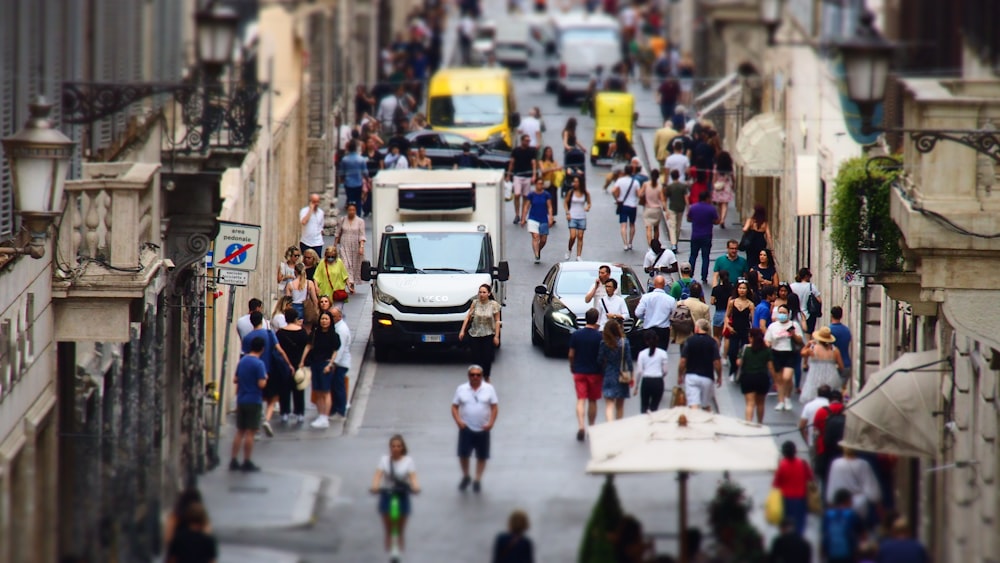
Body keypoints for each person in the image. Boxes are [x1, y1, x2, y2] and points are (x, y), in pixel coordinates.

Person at [241, 312, 293, 437]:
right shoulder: (269, 334)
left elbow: (245, 355)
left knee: (258, 397)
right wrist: (289, 364)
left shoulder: (247, 337)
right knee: (273, 397)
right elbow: (279, 350)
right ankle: (267, 419)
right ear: (262, 321)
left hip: (253, 371)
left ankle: (257, 428)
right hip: (270, 370)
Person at [369, 434, 421, 556]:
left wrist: (415, 487)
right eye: (393, 446)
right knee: (388, 526)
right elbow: (378, 476)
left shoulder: (408, 461)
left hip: (402, 495)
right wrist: (375, 487)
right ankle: (389, 548)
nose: (395, 448)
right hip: (387, 494)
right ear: (390, 448)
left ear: (402, 448)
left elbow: (413, 477)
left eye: (398, 446)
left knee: (400, 527)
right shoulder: (384, 460)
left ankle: (399, 548)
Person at [452, 364, 499, 493]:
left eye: (478, 375)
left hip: (483, 428)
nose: (475, 377)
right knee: (463, 455)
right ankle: (466, 476)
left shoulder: (489, 389)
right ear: (468, 376)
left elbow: (494, 407)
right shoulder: (461, 389)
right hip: (466, 427)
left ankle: (477, 479)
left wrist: (491, 423)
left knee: (482, 456)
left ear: (482, 376)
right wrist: (458, 421)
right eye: (472, 375)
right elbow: (454, 406)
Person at [230, 336, 267, 471]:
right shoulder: (259, 364)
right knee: (250, 433)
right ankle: (247, 461)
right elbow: (261, 384)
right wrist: (265, 379)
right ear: (262, 349)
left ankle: (233, 459)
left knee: (240, 431)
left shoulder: (243, 361)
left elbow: (235, 379)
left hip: (242, 399)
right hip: (253, 400)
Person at [300, 311, 341, 429]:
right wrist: (302, 361)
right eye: (322, 319)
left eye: (326, 319)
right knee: (317, 391)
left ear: (330, 321)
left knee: (326, 391)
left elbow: (335, 351)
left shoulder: (334, 335)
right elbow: (308, 346)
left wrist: (330, 364)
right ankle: (321, 415)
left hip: (325, 364)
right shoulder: (315, 333)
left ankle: (325, 417)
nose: (324, 321)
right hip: (315, 363)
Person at [568, 308, 603, 442]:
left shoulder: (577, 335)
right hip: (595, 372)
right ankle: (592, 427)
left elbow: (571, 354)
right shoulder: (599, 337)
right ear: (597, 319)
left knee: (581, 399)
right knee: (592, 401)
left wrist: (572, 366)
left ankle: (581, 425)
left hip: (580, 371)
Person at [764, 305, 804, 411]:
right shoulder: (773, 326)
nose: (782, 314)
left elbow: (800, 340)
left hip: (790, 353)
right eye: (780, 312)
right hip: (776, 352)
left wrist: (793, 334)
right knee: (779, 379)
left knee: (787, 377)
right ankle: (781, 400)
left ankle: (787, 398)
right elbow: (767, 339)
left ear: (788, 314)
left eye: (784, 312)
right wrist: (768, 344)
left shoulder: (794, 325)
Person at [459, 284, 502, 382]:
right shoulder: (475, 303)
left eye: (484, 292)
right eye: (480, 292)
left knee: (487, 357)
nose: (481, 294)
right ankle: (477, 377)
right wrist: (462, 330)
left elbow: (497, 321)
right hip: (475, 334)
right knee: (476, 358)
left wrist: (496, 336)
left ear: (489, 293)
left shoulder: (494, 305)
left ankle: (486, 376)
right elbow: (468, 317)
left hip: (488, 334)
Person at [772, 441, 815, 536]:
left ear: (784, 453)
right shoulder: (803, 463)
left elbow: (776, 484)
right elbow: (811, 478)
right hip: (801, 499)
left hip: (786, 499)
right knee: (799, 525)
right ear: (795, 451)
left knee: (786, 524)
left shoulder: (782, 465)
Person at [826, 448, 882, 520]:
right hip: (860, 505)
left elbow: (832, 488)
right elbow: (872, 490)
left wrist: (831, 503)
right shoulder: (863, 464)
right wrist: (878, 504)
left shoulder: (835, 464)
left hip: (841, 507)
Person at [678, 319, 722, 410]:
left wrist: (680, 374)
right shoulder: (712, 342)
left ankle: (695, 419)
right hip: (707, 377)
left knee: (693, 404)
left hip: (691, 376)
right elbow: (717, 362)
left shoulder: (689, 341)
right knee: (705, 405)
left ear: (697, 328)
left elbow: (683, 361)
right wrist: (719, 376)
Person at [276, 308, 309, 425]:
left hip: (285, 364)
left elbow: (277, 349)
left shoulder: (280, 333)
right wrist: (303, 361)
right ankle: (299, 413)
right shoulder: (302, 332)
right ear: (296, 318)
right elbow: (307, 347)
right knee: (299, 388)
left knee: (284, 389)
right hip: (299, 363)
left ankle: (285, 412)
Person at [597, 321, 632, 421]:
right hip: (621, 375)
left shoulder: (604, 343)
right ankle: (618, 428)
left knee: (609, 404)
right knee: (620, 406)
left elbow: (600, 360)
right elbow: (628, 360)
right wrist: (631, 374)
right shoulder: (624, 342)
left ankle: (610, 426)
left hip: (608, 374)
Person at [737, 328, 774, 423]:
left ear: (751, 338)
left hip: (748, 377)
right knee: (761, 403)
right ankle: (759, 423)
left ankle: (748, 423)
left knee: (750, 403)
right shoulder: (766, 350)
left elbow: (739, 362)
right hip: (762, 378)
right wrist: (775, 380)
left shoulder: (746, 349)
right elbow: (770, 367)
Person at [822, 488, 868, 563]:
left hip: (831, 556)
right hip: (849, 555)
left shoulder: (828, 515)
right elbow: (863, 534)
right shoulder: (851, 514)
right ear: (847, 500)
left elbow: (824, 534)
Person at [800, 326, 844, 403]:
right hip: (831, 375)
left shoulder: (813, 348)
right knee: (830, 398)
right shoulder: (835, 350)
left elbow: (802, 353)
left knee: (814, 398)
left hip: (815, 376)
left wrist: (807, 345)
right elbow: (841, 366)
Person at [724, 280, 755, 380]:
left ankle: (742, 371)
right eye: (740, 288)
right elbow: (727, 316)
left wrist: (752, 332)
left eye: (744, 288)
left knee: (744, 352)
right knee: (732, 352)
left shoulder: (750, 304)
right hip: (734, 330)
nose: (742, 290)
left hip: (745, 331)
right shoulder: (732, 302)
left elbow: (753, 321)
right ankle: (733, 370)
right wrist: (728, 326)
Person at [813, 390, 846, 483]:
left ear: (829, 400)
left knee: (825, 479)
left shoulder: (821, 411)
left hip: (824, 449)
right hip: (842, 450)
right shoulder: (847, 411)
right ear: (841, 400)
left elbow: (816, 431)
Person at [687, 190, 719, 284]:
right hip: (707, 236)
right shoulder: (711, 209)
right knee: (705, 257)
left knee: (693, 256)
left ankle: (690, 273)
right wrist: (710, 221)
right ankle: (704, 276)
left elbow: (689, 218)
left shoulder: (693, 207)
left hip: (695, 235)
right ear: (707, 198)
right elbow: (717, 221)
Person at [635, 275, 676, 347]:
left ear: (654, 284)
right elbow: (673, 315)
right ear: (664, 285)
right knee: (661, 352)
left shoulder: (646, 297)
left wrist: (645, 318)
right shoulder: (671, 299)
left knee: (649, 353)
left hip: (648, 329)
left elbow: (638, 313)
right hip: (663, 331)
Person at [521, 177, 555, 264]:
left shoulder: (546, 195)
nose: (540, 185)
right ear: (535, 184)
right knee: (536, 236)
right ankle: (536, 255)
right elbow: (526, 206)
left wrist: (551, 217)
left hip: (543, 219)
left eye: (541, 184)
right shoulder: (531, 195)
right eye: (538, 183)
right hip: (533, 218)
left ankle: (538, 249)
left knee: (543, 239)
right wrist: (523, 218)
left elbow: (550, 207)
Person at [634, 330, 668, 413]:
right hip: (658, 380)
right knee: (654, 407)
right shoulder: (663, 353)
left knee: (644, 406)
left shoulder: (642, 354)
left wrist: (636, 386)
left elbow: (639, 371)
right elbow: (665, 371)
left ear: (645, 341)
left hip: (646, 381)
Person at [507, 134, 538, 224]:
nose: (528, 142)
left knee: (525, 196)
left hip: (527, 176)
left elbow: (533, 163)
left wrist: (534, 175)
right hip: (517, 175)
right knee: (517, 194)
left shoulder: (532, 151)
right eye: (526, 141)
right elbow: (512, 162)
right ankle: (517, 214)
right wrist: (509, 174)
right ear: (522, 141)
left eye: (529, 141)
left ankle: (523, 215)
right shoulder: (516, 150)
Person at [336, 203, 367, 288]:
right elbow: (338, 233)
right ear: (347, 210)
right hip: (344, 244)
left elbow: (362, 235)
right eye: (350, 210)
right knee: (345, 263)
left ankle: (351, 282)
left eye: (353, 210)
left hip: (355, 245)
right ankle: (348, 282)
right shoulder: (342, 220)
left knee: (354, 265)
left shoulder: (360, 221)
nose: (351, 212)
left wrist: (361, 246)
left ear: (356, 211)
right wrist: (334, 246)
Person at [612, 168, 641, 251]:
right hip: (633, 205)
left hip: (623, 205)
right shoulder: (635, 182)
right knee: (632, 224)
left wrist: (617, 199)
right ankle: (630, 243)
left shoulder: (620, 181)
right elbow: (638, 194)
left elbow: (613, 190)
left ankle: (625, 244)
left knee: (623, 225)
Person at [330, 308, 352, 418]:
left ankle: (340, 409)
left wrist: (333, 363)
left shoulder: (341, 330)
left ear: (339, 316)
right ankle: (334, 408)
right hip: (338, 362)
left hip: (340, 363)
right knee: (334, 386)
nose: (331, 318)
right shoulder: (336, 327)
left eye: (333, 316)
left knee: (338, 387)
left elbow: (340, 348)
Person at [563, 176, 591, 261]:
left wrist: (587, 207)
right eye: (574, 182)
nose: (575, 183)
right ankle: (569, 249)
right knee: (573, 236)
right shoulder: (571, 192)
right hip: (572, 216)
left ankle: (578, 255)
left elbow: (589, 203)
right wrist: (567, 213)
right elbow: (565, 203)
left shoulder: (585, 193)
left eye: (577, 182)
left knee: (580, 236)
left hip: (582, 216)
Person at [676, 281, 711, 347]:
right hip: (699, 339)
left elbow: (676, 321)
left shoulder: (680, 303)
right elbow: (707, 325)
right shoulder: (704, 307)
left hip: (684, 337)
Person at [791, 267, 823, 333]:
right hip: (808, 314)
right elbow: (819, 300)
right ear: (806, 276)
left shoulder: (792, 286)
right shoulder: (811, 286)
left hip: (794, 314)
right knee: (808, 334)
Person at [662, 169, 688, 252]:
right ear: (678, 176)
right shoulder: (683, 186)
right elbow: (686, 198)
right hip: (681, 208)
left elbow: (665, 199)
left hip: (672, 208)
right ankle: (675, 242)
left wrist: (665, 209)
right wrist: (688, 208)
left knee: (672, 226)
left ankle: (673, 244)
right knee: (678, 226)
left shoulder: (669, 187)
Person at [339, 140, 369, 209]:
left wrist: (342, 180)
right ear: (356, 148)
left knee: (350, 200)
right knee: (358, 200)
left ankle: (351, 215)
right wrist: (367, 180)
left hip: (348, 183)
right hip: (358, 183)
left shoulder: (345, 159)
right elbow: (365, 172)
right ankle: (358, 215)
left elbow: (342, 173)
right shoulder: (361, 159)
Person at [639, 169, 666, 245]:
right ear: (658, 177)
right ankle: (656, 244)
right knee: (656, 228)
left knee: (648, 229)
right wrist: (665, 209)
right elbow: (662, 199)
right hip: (657, 210)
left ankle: (650, 246)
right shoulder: (660, 187)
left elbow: (640, 194)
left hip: (648, 209)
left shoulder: (646, 184)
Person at [829, 306, 852, 389]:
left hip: (833, 365)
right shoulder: (847, 330)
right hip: (846, 364)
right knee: (842, 391)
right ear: (841, 316)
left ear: (831, 316)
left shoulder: (828, 330)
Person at [712, 151, 735, 226]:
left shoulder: (716, 167)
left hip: (718, 185)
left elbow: (714, 178)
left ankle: (720, 217)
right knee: (725, 204)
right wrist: (733, 184)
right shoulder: (730, 167)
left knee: (719, 203)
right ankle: (722, 219)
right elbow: (733, 177)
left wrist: (713, 186)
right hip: (726, 185)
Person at [299, 193, 325, 258]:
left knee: (317, 263)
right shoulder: (304, 211)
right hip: (306, 242)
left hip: (317, 242)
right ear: (310, 202)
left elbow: (321, 226)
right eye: (314, 202)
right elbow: (304, 222)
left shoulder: (321, 213)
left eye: (317, 202)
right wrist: (310, 210)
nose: (316, 204)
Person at [711, 270, 733, 343]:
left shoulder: (716, 289)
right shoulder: (732, 288)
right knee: (727, 337)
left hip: (718, 313)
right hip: (729, 314)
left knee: (716, 336)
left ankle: (717, 352)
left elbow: (712, 301)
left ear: (719, 278)